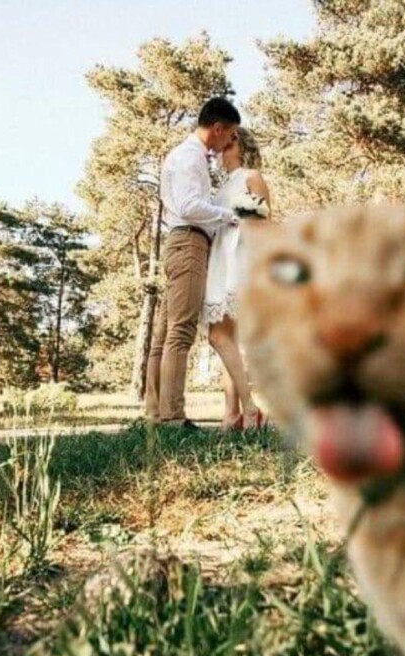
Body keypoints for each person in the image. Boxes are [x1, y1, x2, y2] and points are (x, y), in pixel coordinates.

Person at [145, 97, 241, 429]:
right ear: (218, 128)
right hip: (188, 242)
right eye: (231, 134)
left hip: (179, 241)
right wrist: (227, 216)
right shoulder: (190, 158)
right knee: (181, 330)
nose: (230, 142)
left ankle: (155, 412)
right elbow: (189, 206)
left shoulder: (186, 155)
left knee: (165, 333)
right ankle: (173, 417)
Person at [203, 127, 271, 430]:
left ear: (240, 146)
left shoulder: (251, 176)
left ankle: (251, 408)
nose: (220, 150)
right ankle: (231, 414)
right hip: (219, 261)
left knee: (217, 337)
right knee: (226, 339)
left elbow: (262, 225)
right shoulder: (222, 186)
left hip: (239, 261)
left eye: (227, 144)